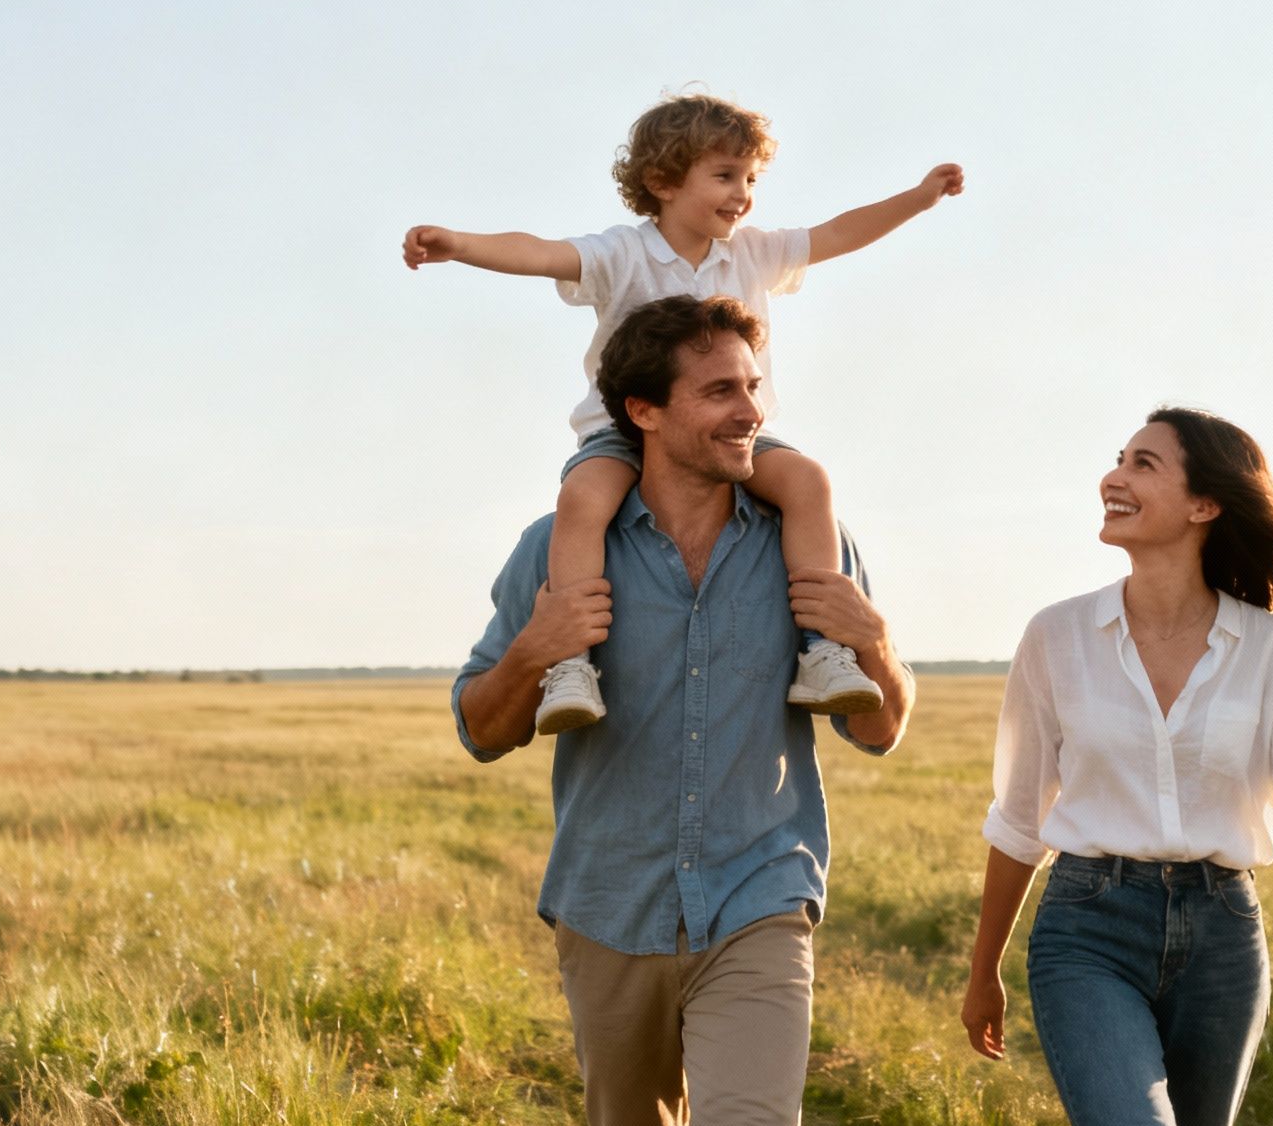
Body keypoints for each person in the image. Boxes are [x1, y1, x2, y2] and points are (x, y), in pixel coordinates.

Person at [454, 295, 914, 1126]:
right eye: (719, 392)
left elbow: (879, 729)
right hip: (609, 910)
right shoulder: (553, 550)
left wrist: (877, 647)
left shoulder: (810, 539)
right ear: (645, 412)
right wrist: (533, 652)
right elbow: (481, 731)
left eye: (754, 385)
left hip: (760, 897)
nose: (753, 413)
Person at [408, 91, 961, 735]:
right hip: (623, 434)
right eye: (724, 176)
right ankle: (570, 666)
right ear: (663, 181)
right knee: (583, 498)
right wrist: (458, 243)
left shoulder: (754, 253)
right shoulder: (622, 253)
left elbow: (839, 232)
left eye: (750, 178)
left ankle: (825, 652)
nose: (743, 193)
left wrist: (918, 198)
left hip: (734, 440)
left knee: (809, 482)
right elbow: (539, 252)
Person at [958, 407, 1273, 1126]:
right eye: (1120, 459)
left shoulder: (1272, 651)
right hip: (1087, 928)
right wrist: (985, 972)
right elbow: (1018, 819)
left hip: (1224, 940)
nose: (1115, 477)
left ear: (1204, 504)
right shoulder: (1057, 636)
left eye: (1145, 465)